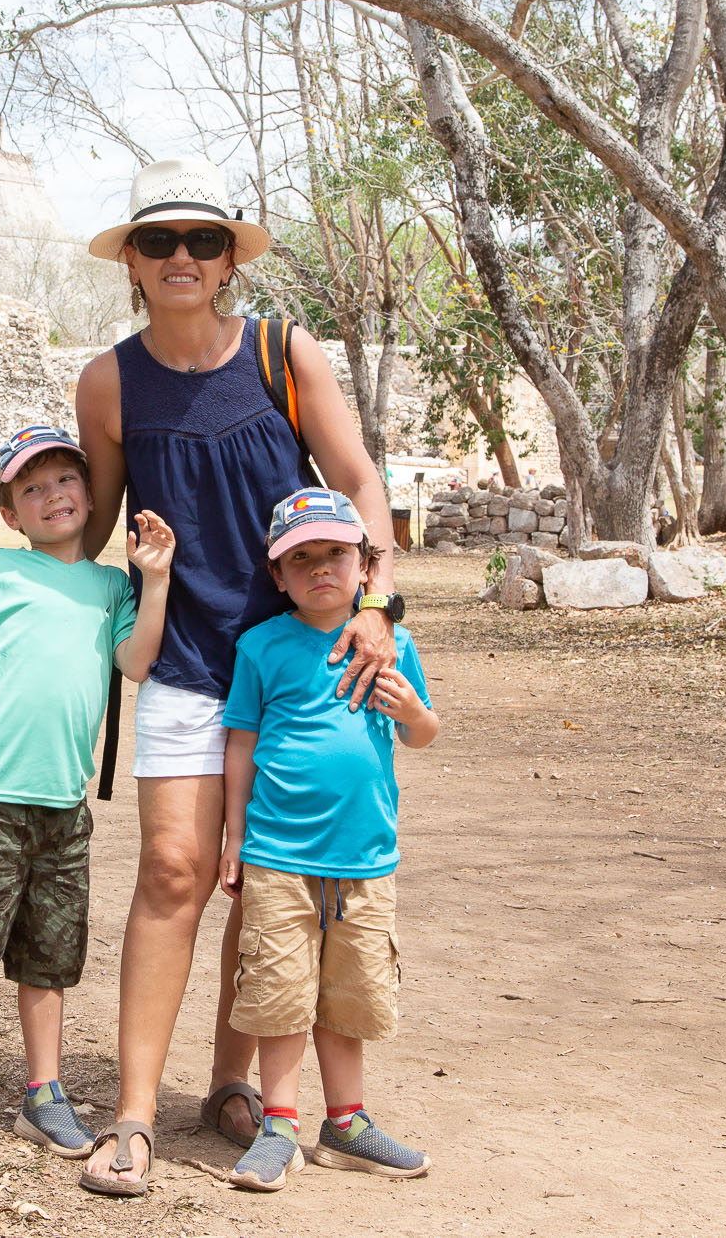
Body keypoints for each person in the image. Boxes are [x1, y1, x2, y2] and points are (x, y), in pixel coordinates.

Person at [74, 159, 400, 1196]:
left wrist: (377, 606)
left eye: (203, 240)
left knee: (264, 880)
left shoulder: (279, 351)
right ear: (131, 262)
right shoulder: (108, 383)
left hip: (292, 663)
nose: (182, 257)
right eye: (159, 241)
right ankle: (132, 1114)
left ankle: (228, 1085)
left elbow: (359, 482)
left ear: (228, 262)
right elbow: (87, 528)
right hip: (181, 658)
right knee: (174, 871)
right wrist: (16, 594)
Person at [0, 426, 177, 1157]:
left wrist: (156, 580)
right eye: (32, 488)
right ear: (10, 513)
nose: (53, 496)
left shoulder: (111, 587)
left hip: (63, 804)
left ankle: (43, 1093)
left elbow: (138, 663)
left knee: (49, 958)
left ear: (91, 493)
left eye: (65, 479)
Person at [217, 488, 439, 1192]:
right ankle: (279, 1125)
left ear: (365, 566)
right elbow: (240, 745)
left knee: (350, 996)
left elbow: (423, 732)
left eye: (335, 554)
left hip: (365, 860)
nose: (319, 569)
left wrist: (413, 711)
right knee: (280, 993)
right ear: (277, 575)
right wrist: (233, 837)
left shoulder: (393, 642)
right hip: (278, 856)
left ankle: (345, 1123)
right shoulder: (261, 647)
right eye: (301, 558)